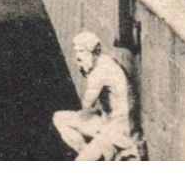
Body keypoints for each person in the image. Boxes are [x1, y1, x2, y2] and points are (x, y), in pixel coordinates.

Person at [53, 31, 137, 161]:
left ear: (94, 52)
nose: (77, 57)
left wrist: (87, 114)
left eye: (82, 51)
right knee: (59, 117)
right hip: (111, 121)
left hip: (117, 128)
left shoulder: (99, 72)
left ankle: (94, 151)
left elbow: (86, 106)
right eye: (76, 52)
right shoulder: (105, 62)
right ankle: (88, 150)